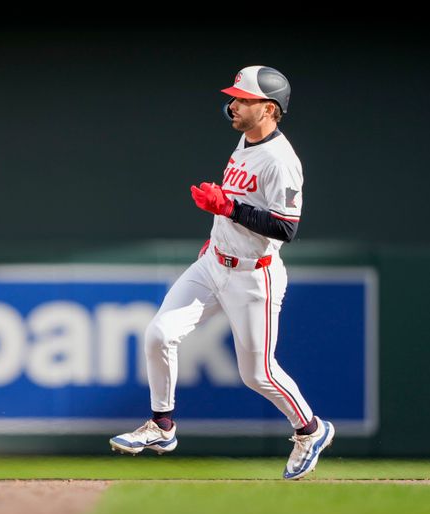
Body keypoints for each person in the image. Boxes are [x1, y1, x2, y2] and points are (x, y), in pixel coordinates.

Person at [109, 65, 334, 480]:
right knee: (158, 334)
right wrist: (219, 231)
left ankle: (311, 429)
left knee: (258, 374)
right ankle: (161, 426)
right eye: (234, 96)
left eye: (242, 99)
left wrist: (228, 208)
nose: (232, 104)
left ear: (268, 108)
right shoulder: (245, 141)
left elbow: (286, 227)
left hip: (254, 276)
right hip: (213, 262)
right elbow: (237, 208)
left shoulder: (281, 161)